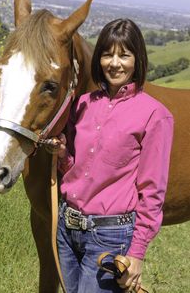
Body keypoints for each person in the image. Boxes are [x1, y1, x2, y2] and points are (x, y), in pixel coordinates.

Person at [56, 18, 174, 293]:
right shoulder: (83, 104)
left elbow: (153, 191)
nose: (115, 63)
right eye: (108, 54)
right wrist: (63, 154)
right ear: (99, 58)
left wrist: (137, 252)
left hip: (109, 236)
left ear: (138, 59)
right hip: (67, 229)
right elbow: (77, 169)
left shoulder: (155, 115)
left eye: (124, 55)